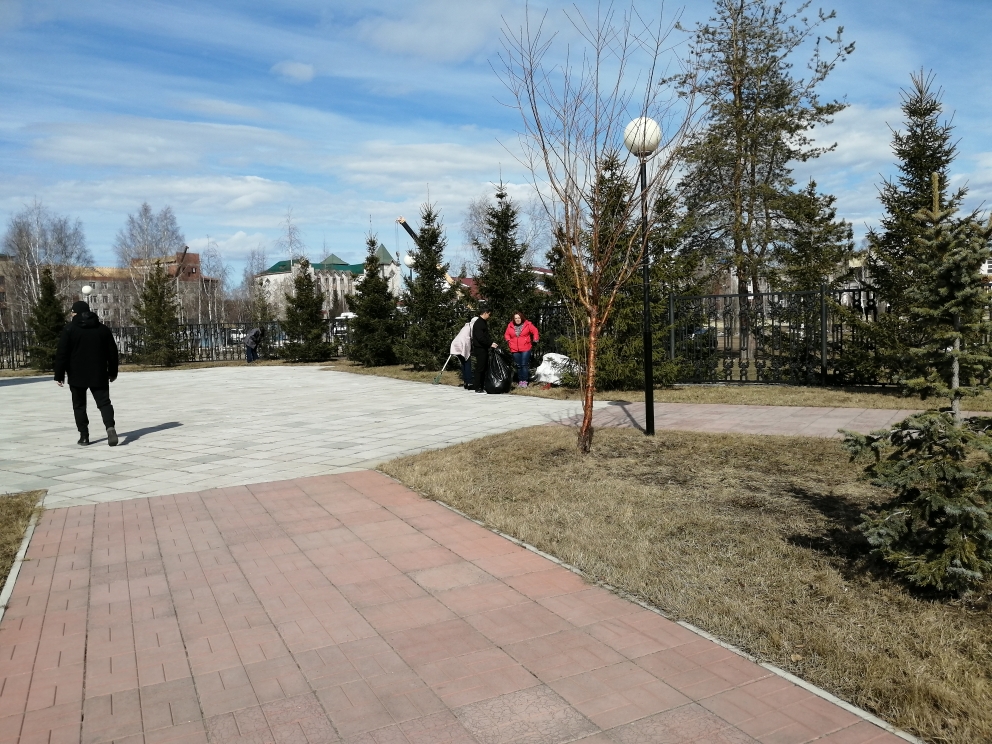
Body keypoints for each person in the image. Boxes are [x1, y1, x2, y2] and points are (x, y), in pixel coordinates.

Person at [53, 301, 120, 446]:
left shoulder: (69, 329)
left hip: (76, 374)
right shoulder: (102, 329)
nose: (71, 315)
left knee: (79, 405)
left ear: (76, 313)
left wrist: (59, 375)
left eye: (72, 312)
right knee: (104, 403)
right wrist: (113, 372)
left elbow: (62, 354)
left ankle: (84, 436)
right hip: (99, 373)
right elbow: (112, 352)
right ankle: (110, 427)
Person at [504, 311, 540, 387]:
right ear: (513, 319)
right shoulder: (510, 325)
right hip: (514, 348)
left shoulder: (528, 324)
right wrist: (508, 340)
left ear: (522, 318)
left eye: (519, 318)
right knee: (518, 365)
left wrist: (535, 339)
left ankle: (525, 381)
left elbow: (535, 331)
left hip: (525, 347)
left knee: (524, 364)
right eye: (516, 318)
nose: (517, 319)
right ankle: (520, 381)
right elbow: (507, 334)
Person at [471, 304, 499, 393]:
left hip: (483, 348)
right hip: (480, 348)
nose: (489, 316)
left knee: (483, 367)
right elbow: (481, 338)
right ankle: (478, 387)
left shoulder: (482, 322)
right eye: (489, 314)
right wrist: (490, 344)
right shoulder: (479, 323)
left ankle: (481, 385)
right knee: (480, 367)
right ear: (485, 313)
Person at [449, 316, 477, 390]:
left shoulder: (466, 326)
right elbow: (473, 338)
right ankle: (469, 383)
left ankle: (465, 382)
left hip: (456, 344)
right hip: (462, 344)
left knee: (463, 363)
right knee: (467, 362)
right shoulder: (472, 326)